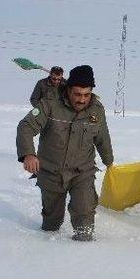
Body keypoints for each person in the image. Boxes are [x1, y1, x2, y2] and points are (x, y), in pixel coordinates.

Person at [17, 65, 113, 241]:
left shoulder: (96, 110)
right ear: (68, 89)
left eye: (86, 94)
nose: (82, 99)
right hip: (51, 171)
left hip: (82, 171)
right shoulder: (49, 104)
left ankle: (83, 252)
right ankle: (48, 251)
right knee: (51, 223)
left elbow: (102, 136)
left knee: (84, 211)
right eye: (77, 94)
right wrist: (28, 154)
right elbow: (26, 126)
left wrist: (109, 161)